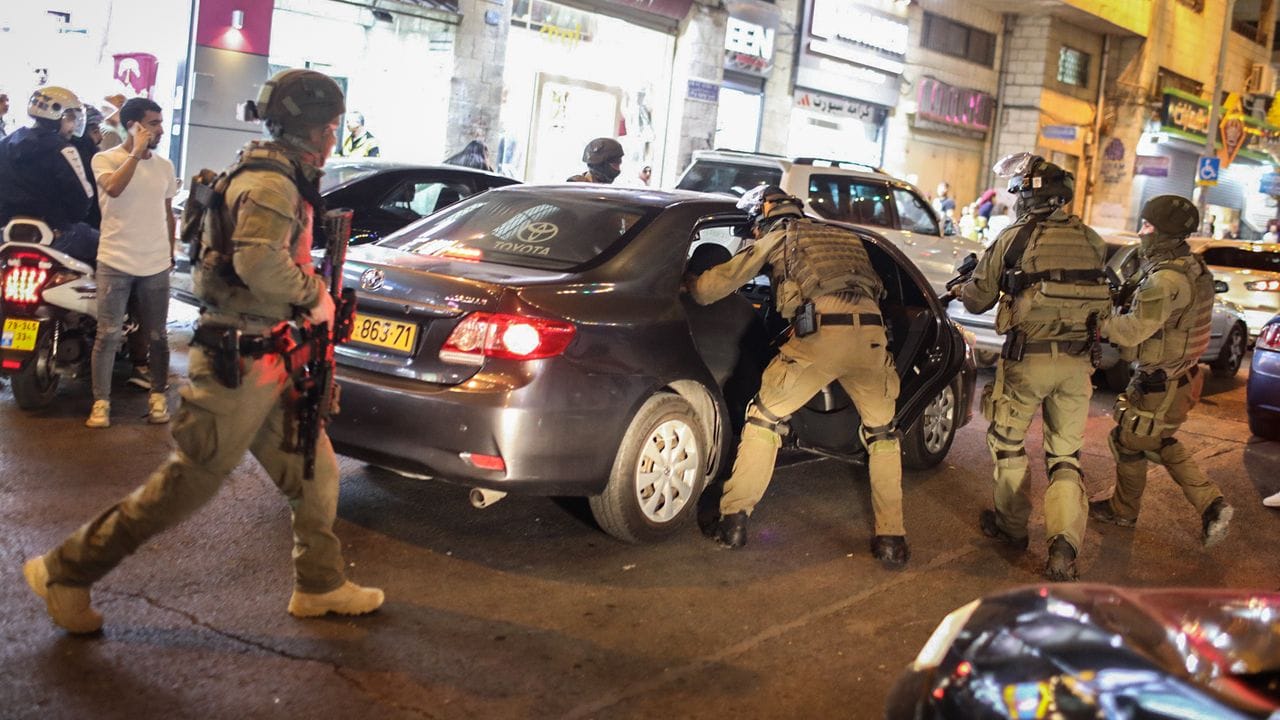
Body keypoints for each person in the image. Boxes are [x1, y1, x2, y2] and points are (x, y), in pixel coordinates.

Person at [22, 68, 384, 634]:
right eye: (331, 126)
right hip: (239, 363)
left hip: (272, 354)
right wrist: (316, 297)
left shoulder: (273, 172)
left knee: (315, 471)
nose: (334, 137)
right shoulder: (270, 183)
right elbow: (257, 262)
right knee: (188, 483)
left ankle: (320, 583)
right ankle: (65, 570)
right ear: (314, 129)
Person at [688, 185, 908, 567]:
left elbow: (710, 290)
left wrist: (689, 280)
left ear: (763, 217)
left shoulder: (779, 236)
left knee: (764, 419)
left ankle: (734, 520)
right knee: (883, 435)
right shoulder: (843, 237)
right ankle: (892, 538)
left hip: (822, 336)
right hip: (872, 338)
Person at [953, 153, 1112, 582]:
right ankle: (1063, 546)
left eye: (1019, 193)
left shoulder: (1015, 237)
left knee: (1007, 442)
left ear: (1029, 198)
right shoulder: (1093, 239)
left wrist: (963, 282)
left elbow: (977, 299)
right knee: (1065, 457)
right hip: (1078, 363)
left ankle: (1012, 528)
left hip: (1029, 358)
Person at [1088, 194, 1234, 548]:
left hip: (1162, 381)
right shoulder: (1189, 265)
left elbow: (1134, 330)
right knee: (1140, 441)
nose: (1141, 232)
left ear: (1165, 233)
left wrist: (1098, 322)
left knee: (1134, 441)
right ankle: (1126, 509)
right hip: (1177, 376)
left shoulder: (1166, 279)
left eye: (1148, 226)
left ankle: (1211, 504)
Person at [84, 97, 178, 429]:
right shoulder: (104, 159)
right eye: (153, 123)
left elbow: (168, 215)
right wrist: (136, 152)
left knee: (158, 336)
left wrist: (169, 255)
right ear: (133, 126)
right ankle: (101, 403)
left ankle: (157, 397)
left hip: (155, 264)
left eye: (160, 122)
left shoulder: (166, 166)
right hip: (114, 261)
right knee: (107, 335)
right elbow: (114, 188)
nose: (161, 129)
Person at [0, 86, 99, 265]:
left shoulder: (4, 144)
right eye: (70, 118)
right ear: (55, 116)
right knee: (106, 248)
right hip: (56, 233)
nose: (73, 125)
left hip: (6, 234)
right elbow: (82, 200)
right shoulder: (63, 149)